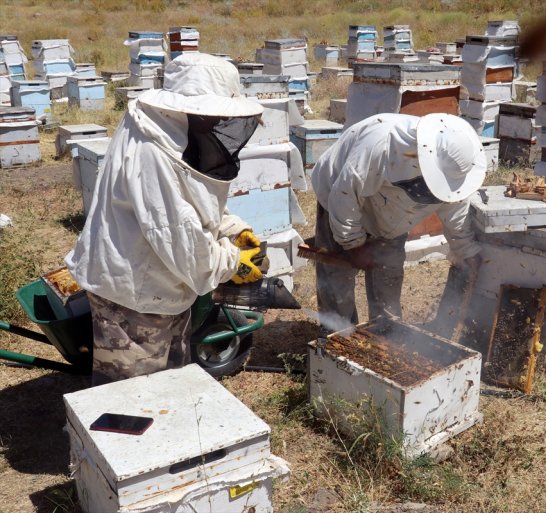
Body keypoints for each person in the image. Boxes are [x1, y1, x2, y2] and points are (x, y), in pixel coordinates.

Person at [65, 53, 265, 385]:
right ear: (192, 109)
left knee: (172, 389)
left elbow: (189, 199)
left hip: (161, 286)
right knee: (132, 404)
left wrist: (234, 227)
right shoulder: (153, 151)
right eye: (214, 115)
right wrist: (234, 262)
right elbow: (186, 245)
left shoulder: (171, 132)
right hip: (132, 298)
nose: (219, 124)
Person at [310, 112, 486, 331]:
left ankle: (388, 337)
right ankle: (335, 339)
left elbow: (455, 213)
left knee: (389, 277)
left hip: (392, 221)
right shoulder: (381, 145)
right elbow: (344, 195)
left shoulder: (456, 175)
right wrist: (353, 244)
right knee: (337, 280)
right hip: (338, 196)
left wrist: (467, 250)